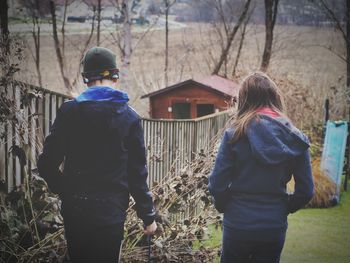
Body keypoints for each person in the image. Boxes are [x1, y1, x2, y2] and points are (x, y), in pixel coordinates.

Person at [38, 46, 157, 263]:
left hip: (76, 210)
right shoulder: (129, 118)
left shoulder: (69, 112)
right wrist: (148, 216)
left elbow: (46, 163)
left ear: (86, 79)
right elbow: (137, 176)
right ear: (115, 76)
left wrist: (64, 189)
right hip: (110, 213)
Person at [209, 72, 314, 263]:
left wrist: (225, 206)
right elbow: (306, 191)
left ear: (244, 99)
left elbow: (217, 184)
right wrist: (282, 208)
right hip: (273, 225)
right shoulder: (295, 138)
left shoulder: (234, 134)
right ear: (275, 97)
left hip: (238, 222)